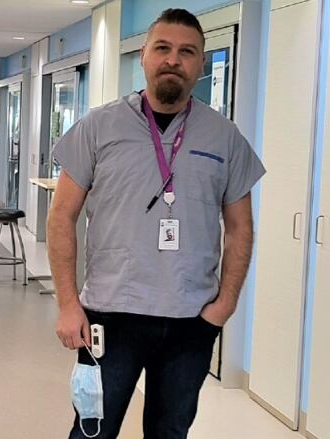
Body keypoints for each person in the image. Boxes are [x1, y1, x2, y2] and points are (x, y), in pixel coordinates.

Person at [47, 9, 265, 439]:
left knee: (170, 432)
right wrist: (69, 305)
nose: (173, 59)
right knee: (92, 430)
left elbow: (241, 226)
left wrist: (224, 306)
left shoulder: (225, 137)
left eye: (187, 52)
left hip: (190, 320)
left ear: (201, 64)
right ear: (144, 56)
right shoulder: (99, 126)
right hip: (109, 317)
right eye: (162, 48)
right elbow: (62, 216)